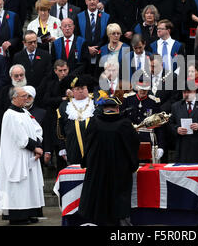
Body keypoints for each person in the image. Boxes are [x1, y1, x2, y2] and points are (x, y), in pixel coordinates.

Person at [77, 95, 139, 226]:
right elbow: (133, 145)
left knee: (100, 196)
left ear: (103, 108)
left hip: (98, 169)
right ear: (117, 108)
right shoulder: (125, 124)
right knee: (120, 198)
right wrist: (133, 164)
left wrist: (87, 162)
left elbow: (87, 144)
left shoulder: (94, 122)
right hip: (120, 170)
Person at [0, 86, 45, 225]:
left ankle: (29, 213)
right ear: (14, 97)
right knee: (18, 187)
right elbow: (20, 138)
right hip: (17, 157)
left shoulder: (24, 112)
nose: (26, 99)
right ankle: (17, 216)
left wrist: (38, 145)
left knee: (29, 186)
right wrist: (35, 148)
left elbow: (37, 129)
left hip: (29, 155)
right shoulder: (9, 114)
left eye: (28, 96)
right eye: (23, 96)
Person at [169, 85, 198, 163]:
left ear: (195, 92)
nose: (186, 94)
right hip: (182, 149)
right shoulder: (175, 107)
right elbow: (170, 124)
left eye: (189, 92)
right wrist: (177, 129)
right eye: (184, 92)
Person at [122, 79, 166, 162]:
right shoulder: (128, 100)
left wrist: (161, 146)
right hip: (130, 138)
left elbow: (160, 126)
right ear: (137, 88)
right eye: (141, 89)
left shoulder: (154, 102)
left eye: (145, 89)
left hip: (148, 139)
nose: (143, 91)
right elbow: (121, 120)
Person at [57, 75, 95, 165]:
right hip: (73, 148)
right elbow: (60, 130)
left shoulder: (96, 103)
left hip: (94, 147)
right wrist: (63, 148)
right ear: (72, 91)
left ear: (87, 89)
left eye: (83, 88)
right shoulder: (64, 106)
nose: (81, 91)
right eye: (77, 89)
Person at [41, 60, 70, 172]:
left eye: (65, 70)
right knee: (58, 151)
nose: (63, 73)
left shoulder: (73, 82)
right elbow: (46, 100)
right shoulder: (51, 84)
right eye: (60, 71)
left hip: (68, 120)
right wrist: (61, 99)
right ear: (55, 71)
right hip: (54, 120)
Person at [76, 0, 111, 74]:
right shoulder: (79, 16)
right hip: (84, 55)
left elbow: (107, 36)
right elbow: (77, 35)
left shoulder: (106, 17)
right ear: (86, 1)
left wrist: (97, 48)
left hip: (101, 54)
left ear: (98, 0)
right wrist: (87, 48)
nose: (92, 2)